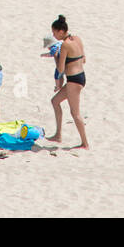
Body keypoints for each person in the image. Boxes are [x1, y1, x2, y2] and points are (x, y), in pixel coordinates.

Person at [49, 16, 89, 150]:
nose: (54, 36)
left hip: (74, 81)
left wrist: (55, 56)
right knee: (55, 101)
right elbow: (83, 59)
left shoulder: (65, 45)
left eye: (54, 33)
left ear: (61, 31)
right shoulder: (77, 39)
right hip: (80, 77)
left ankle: (85, 143)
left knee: (75, 113)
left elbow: (60, 69)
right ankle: (58, 135)